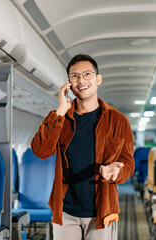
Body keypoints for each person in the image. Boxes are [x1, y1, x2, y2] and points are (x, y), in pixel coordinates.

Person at [31, 54, 134, 239]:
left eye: (87, 74)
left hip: (102, 210)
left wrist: (117, 171)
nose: (81, 80)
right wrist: (60, 111)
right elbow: (41, 151)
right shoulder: (59, 118)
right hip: (65, 211)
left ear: (98, 79)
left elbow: (127, 163)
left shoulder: (118, 120)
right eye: (75, 76)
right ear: (69, 83)